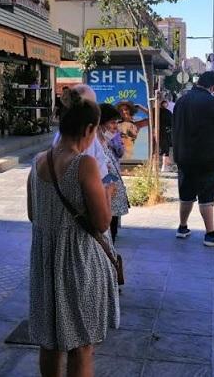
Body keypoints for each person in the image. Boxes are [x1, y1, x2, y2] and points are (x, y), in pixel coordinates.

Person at [27, 94, 119, 377]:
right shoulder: (84, 164)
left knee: (50, 342)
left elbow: (33, 213)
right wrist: (108, 192)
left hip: (45, 264)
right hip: (78, 264)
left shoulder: (38, 161)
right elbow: (102, 222)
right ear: (90, 129)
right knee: (81, 345)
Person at [172, 71, 214, 247]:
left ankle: (182, 228)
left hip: (184, 157)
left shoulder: (181, 101)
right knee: (207, 196)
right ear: (212, 87)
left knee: (186, 194)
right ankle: (210, 234)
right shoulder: (210, 101)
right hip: (208, 157)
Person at [98, 103, 129, 242]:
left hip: (112, 203)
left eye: (117, 122)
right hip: (104, 202)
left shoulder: (108, 140)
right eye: (112, 123)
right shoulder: (95, 146)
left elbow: (120, 154)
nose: (115, 127)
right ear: (100, 124)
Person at [158, 99, 173, 172]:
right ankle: (164, 167)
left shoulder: (156, 112)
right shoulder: (168, 113)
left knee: (156, 150)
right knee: (165, 150)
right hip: (165, 133)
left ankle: (155, 167)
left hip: (156, 132)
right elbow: (172, 123)